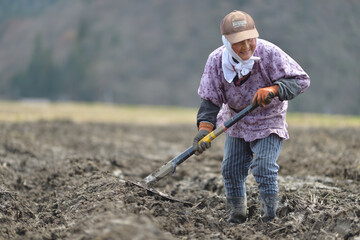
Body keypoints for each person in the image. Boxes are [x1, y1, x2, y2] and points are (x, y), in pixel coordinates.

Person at [192, 10, 310, 223]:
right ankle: (237, 215)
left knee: (264, 167)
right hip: (236, 121)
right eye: (239, 42)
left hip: (268, 120)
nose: (246, 47)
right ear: (226, 41)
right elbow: (210, 99)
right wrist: (205, 129)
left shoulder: (269, 53)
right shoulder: (217, 60)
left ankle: (269, 218)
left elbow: (300, 81)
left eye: (250, 39)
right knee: (231, 169)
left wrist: (274, 89)